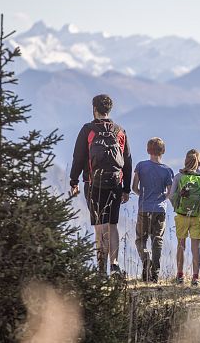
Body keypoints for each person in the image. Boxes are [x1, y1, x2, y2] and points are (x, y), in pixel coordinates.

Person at [69, 94, 132, 275]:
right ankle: (114, 264)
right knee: (112, 224)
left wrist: (74, 180)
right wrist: (126, 188)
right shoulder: (120, 131)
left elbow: (78, 158)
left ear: (94, 109)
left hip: (93, 183)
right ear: (109, 110)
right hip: (115, 183)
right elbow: (127, 161)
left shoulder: (87, 130)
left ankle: (101, 270)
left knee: (99, 226)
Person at [132, 137, 173, 283]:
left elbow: (134, 187)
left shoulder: (140, 166)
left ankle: (145, 259)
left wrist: (142, 195)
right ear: (163, 151)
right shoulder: (167, 170)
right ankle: (155, 273)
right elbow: (170, 192)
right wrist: (163, 198)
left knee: (140, 239)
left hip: (144, 208)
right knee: (157, 240)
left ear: (148, 150)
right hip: (160, 210)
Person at [169, 149, 200, 287]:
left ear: (185, 161)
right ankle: (195, 277)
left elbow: (171, 196)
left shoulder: (178, 177)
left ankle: (180, 275)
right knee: (196, 248)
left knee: (181, 245)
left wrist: (178, 204)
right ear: (199, 163)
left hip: (181, 216)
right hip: (197, 216)